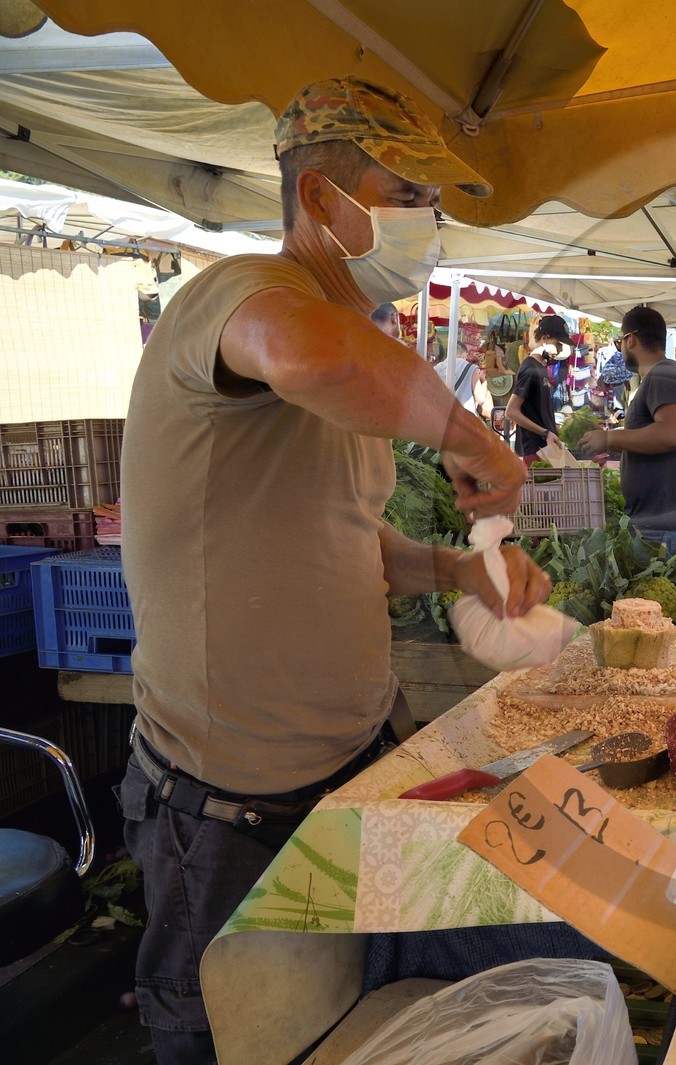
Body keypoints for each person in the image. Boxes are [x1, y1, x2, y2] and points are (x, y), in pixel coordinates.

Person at [117, 76, 546, 1065]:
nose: (428, 224)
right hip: (223, 811)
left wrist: (455, 572)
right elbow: (308, 362)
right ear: (320, 200)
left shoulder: (369, 340)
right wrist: (470, 432)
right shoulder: (244, 294)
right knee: (226, 1041)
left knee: (349, 1030)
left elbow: (348, 541)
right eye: (408, 195)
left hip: (351, 768)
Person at [579, 305, 676, 555]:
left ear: (631, 339)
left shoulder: (664, 374)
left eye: (619, 342)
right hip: (659, 525)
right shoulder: (662, 375)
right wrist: (611, 437)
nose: (620, 348)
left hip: (664, 529)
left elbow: (671, 434)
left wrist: (610, 437)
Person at [506, 314, 567, 457]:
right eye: (558, 343)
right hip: (533, 450)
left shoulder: (541, 367)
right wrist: (545, 432)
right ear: (544, 338)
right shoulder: (530, 368)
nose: (559, 350)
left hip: (546, 449)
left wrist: (554, 429)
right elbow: (511, 412)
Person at [435, 341, 491, 421]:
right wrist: (484, 380)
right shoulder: (471, 368)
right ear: (464, 354)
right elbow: (481, 399)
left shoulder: (436, 368)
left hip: (441, 419)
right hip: (464, 421)